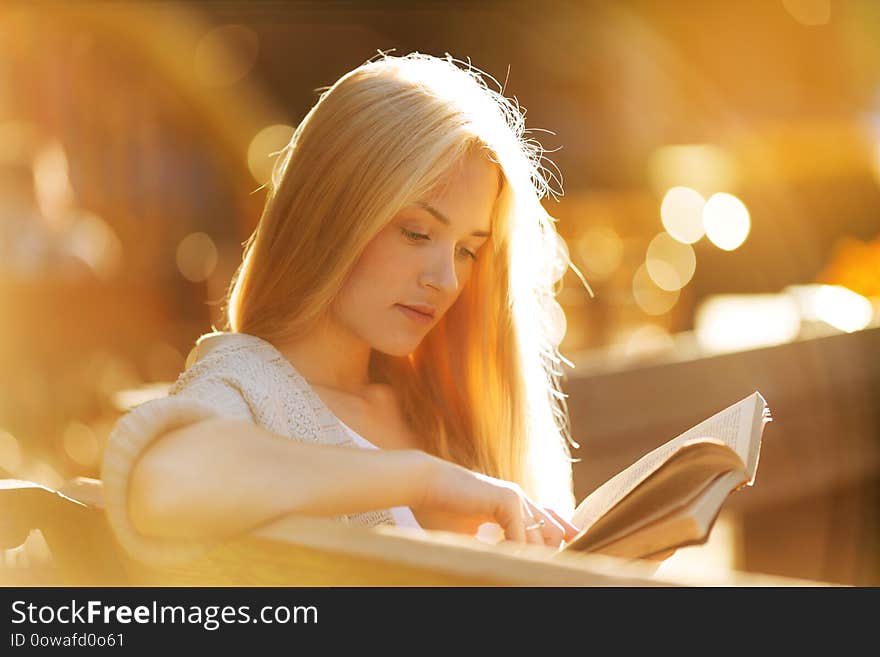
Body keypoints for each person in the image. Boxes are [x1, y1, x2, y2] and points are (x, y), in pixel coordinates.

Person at [101, 52, 589, 568]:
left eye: (467, 249)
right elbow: (164, 485)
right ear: (333, 215)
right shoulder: (251, 383)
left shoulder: (440, 401)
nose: (445, 280)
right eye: (416, 232)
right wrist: (423, 479)